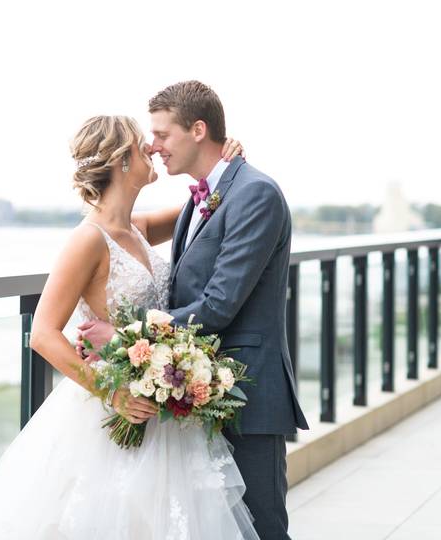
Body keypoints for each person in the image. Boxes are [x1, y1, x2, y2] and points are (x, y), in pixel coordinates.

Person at [0, 114, 258, 539]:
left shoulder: (138, 228)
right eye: (143, 145)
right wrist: (116, 393)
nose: (153, 150)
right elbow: (43, 333)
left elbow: (208, 207)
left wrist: (225, 164)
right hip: (112, 406)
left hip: (162, 411)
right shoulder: (88, 239)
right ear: (122, 162)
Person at [77, 80, 309, 540]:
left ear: (198, 129)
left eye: (162, 134)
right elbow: (115, 232)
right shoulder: (201, 198)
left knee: (261, 530)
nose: (152, 145)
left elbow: (219, 304)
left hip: (247, 397)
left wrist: (124, 337)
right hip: (192, 396)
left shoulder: (254, 194)